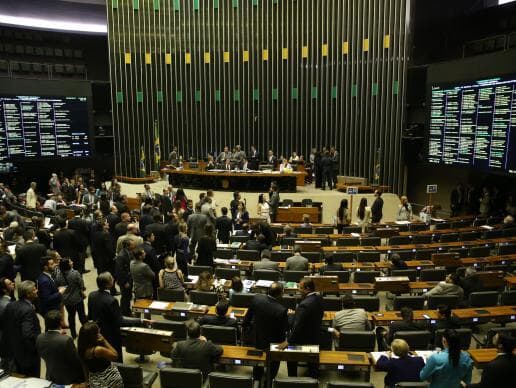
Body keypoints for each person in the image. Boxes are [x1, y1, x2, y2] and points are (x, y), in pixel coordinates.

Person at [87, 272, 145, 362]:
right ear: (109, 284)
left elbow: (90, 316)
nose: (113, 280)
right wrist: (140, 321)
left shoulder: (91, 295)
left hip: (97, 333)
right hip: (112, 336)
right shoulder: (112, 300)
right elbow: (120, 322)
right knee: (115, 359)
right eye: (112, 279)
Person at [278, 278, 324, 377]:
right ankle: (313, 380)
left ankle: (292, 378)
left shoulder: (304, 305)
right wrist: (297, 314)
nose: (298, 289)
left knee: (290, 357)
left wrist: (288, 341)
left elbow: (297, 326)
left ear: (307, 289)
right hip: (315, 336)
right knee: (312, 365)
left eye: (300, 287)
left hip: (302, 339)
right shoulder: (319, 298)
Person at [243, 282, 289, 381]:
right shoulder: (281, 310)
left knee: (257, 361)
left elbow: (247, 319)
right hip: (273, 343)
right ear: (281, 293)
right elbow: (283, 330)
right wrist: (282, 342)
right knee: (273, 364)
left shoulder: (256, 298)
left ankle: (257, 378)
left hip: (257, 337)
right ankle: (270, 379)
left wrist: (247, 331)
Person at [2, 280, 41, 376]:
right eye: (34, 289)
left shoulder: (11, 305)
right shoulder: (28, 310)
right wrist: (36, 347)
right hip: (27, 356)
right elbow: (28, 334)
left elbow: (5, 326)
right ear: (28, 294)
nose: (37, 291)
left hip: (13, 353)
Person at [36, 310, 85, 385]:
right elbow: (75, 360)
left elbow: (42, 354)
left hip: (51, 375)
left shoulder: (39, 337)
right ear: (61, 322)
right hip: (68, 378)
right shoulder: (66, 340)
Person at [77, 321, 123, 388]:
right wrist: (104, 341)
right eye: (98, 331)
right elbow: (115, 356)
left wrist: (87, 381)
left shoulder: (81, 349)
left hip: (95, 381)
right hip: (109, 379)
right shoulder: (98, 350)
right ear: (94, 335)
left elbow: (84, 366)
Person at [55, 258, 87, 339]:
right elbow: (81, 284)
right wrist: (82, 289)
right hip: (77, 299)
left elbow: (57, 286)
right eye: (70, 261)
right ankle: (87, 331)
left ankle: (73, 333)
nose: (72, 262)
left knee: (71, 316)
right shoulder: (75, 273)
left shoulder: (58, 276)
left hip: (67, 300)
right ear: (68, 265)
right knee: (82, 315)